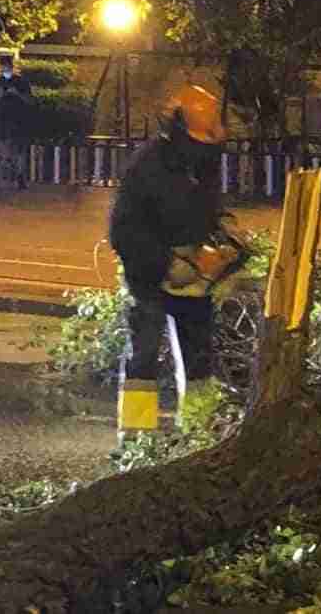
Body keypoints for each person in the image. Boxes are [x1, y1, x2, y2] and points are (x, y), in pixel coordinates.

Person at [109, 85, 246, 441]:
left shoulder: (202, 164)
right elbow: (123, 230)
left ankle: (198, 435)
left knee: (199, 356)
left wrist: (227, 244)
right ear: (184, 129)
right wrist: (166, 263)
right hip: (149, 273)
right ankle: (135, 439)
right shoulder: (148, 166)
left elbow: (213, 211)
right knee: (144, 349)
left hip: (195, 275)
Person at [0, 54, 32, 190]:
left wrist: (16, 93)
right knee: (1, 149)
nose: (4, 69)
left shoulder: (21, 81)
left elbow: (28, 100)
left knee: (18, 150)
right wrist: (1, 94)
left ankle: (19, 177)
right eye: (2, 66)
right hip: (1, 120)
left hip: (17, 121)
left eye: (6, 66)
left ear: (11, 66)